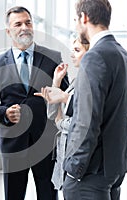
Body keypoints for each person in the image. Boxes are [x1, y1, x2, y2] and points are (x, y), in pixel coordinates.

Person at [0, 6, 69, 200]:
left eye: (28, 22)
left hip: (46, 144)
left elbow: (66, 97)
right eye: (18, 24)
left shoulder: (53, 57)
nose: (25, 27)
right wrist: (4, 113)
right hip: (13, 146)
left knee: (48, 195)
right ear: (8, 31)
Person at [63, 0, 127, 199]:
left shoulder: (95, 56)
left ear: (84, 17)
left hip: (91, 171)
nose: (76, 25)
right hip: (115, 165)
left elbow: (86, 121)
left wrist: (73, 169)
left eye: (76, 19)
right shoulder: (124, 55)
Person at [35, 36, 90, 191]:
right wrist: (56, 82)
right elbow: (52, 114)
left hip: (77, 156)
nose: (72, 55)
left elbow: (80, 120)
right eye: (72, 50)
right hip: (66, 154)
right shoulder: (76, 80)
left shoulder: (89, 81)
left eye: (77, 50)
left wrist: (60, 121)